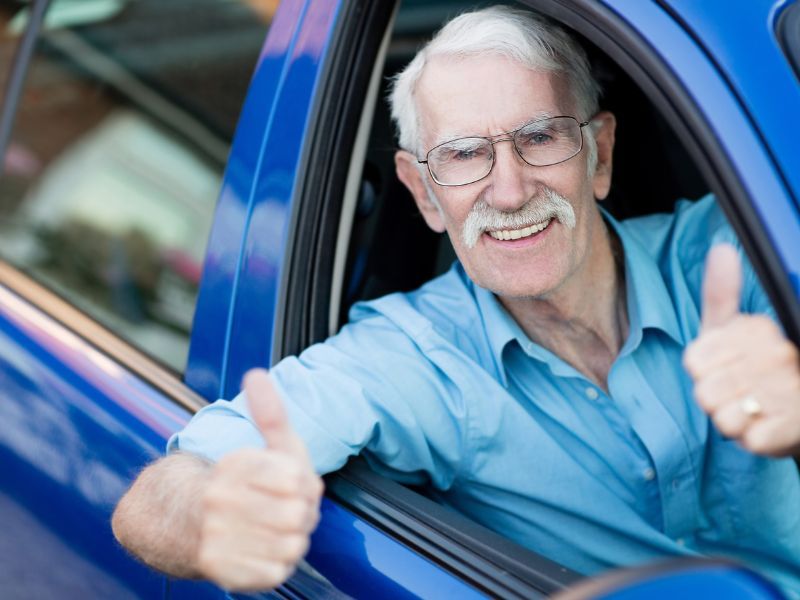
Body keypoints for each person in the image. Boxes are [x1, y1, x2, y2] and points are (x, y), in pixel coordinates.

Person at [112, 5, 800, 595]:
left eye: (539, 138)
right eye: (465, 156)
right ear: (422, 192)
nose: (509, 190)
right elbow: (164, 493)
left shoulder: (743, 246)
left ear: (601, 154)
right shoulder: (412, 358)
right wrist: (213, 516)